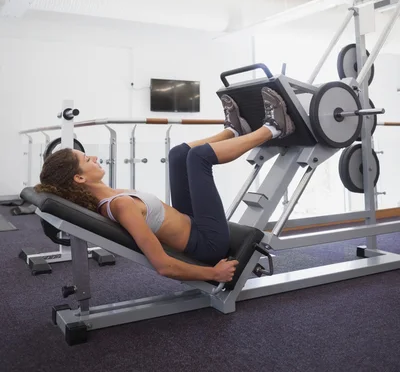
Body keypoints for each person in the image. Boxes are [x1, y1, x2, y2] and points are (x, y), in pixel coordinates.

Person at [36, 88, 294, 284]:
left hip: (190, 222)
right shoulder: (121, 205)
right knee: (199, 158)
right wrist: (213, 273)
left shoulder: (111, 197)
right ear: (79, 179)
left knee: (178, 154)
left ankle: (233, 132)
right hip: (207, 243)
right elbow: (163, 265)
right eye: (85, 159)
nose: (92, 157)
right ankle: (272, 129)